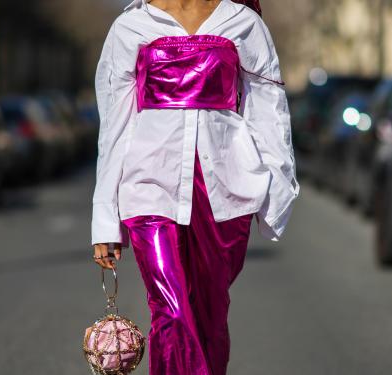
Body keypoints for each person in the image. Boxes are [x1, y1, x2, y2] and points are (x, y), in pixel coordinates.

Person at [91, 0, 300, 374]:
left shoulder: (242, 21)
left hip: (226, 191)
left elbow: (268, 109)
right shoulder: (132, 25)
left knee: (210, 316)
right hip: (148, 188)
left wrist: (277, 186)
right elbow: (114, 127)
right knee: (169, 309)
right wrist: (105, 220)